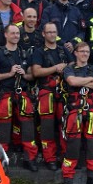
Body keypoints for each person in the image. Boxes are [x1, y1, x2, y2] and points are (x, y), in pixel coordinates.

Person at [60, 42, 93, 184]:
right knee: (73, 144)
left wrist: (84, 83)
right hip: (74, 111)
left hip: (92, 111)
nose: (85, 54)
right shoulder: (69, 69)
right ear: (76, 52)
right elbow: (71, 81)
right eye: (82, 51)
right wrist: (90, 80)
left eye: (87, 51)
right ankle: (68, 176)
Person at [0, 24, 36, 157]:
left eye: (17, 33)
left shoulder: (24, 53)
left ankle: (29, 158)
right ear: (6, 35)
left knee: (27, 127)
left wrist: (24, 74)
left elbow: (32, 76)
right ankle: (3, 157)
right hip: (4, 94)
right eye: (12, 33)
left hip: (22, 94)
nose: (16, 36)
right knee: (3, 127)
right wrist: (9, 74)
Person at [29, 22, 71, 170]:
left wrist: (66, 68)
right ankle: (50, 158)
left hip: (63, 93)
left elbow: (73, 67)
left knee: (65, 126)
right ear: (43, 34)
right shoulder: (39, 52)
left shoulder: (63, 50)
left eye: (54, 32)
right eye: (49, 32)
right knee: (46, 127)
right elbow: (36, 72)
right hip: (46, 92)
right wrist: (55, 68)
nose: (52, 34)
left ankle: (66, 157)